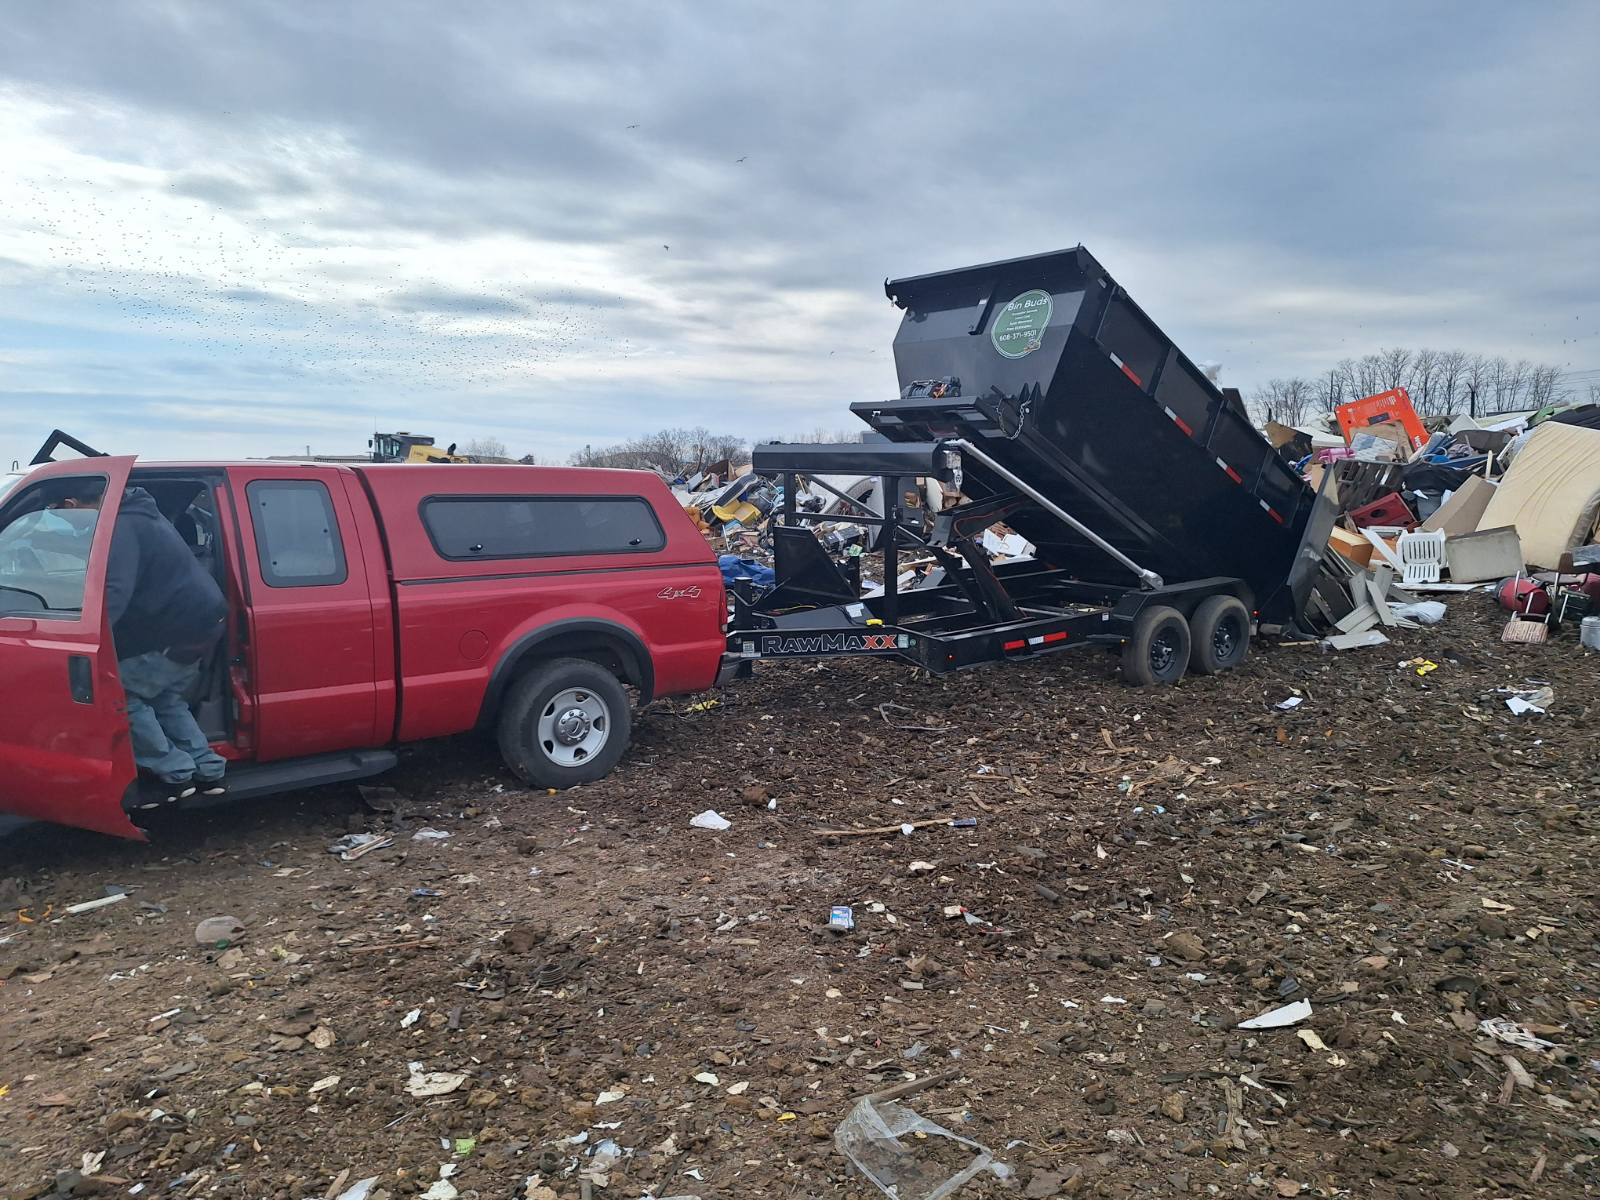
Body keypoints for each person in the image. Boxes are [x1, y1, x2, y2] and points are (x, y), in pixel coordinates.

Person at [57, 481, 229, 804]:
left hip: (178, 629)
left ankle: (175, 772)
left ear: (71, 505)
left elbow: (115, 592)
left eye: (60, 515)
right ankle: (209, 771)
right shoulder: (140, 513)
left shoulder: (121, 525)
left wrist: (78, 640)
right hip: (202, 622)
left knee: (119, 696)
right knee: (166, 697)